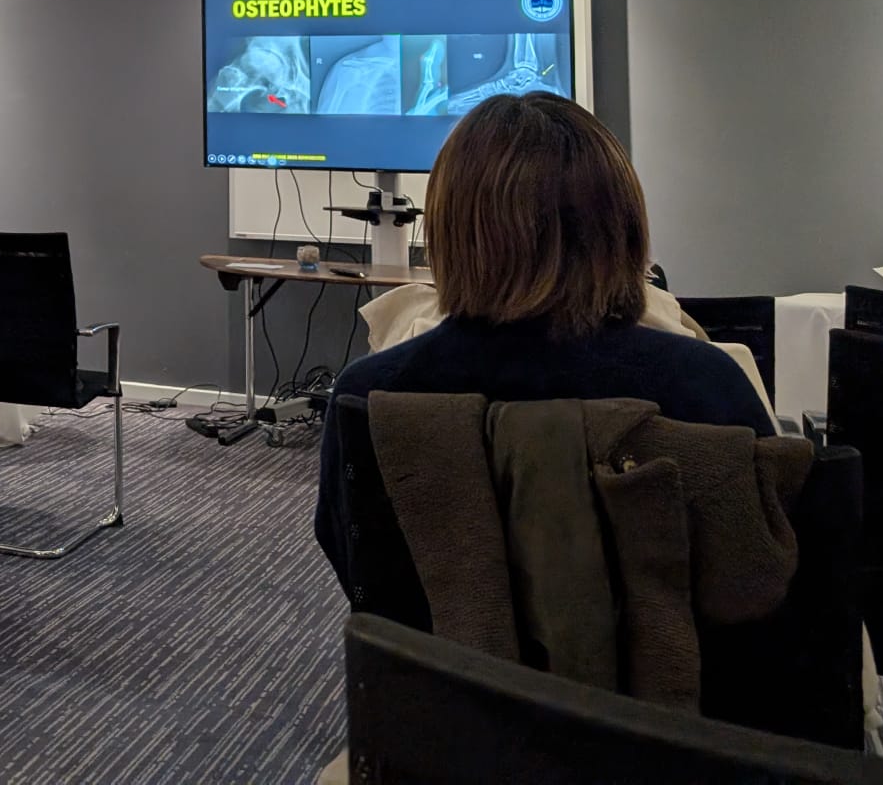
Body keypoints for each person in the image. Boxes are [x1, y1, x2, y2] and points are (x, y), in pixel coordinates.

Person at [314, 92, 774, 580]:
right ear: (623, 225)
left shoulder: (369, 395)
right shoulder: (707, 384)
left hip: (433, 632)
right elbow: (770, 562)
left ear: (449, 231)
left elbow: (356, 562)